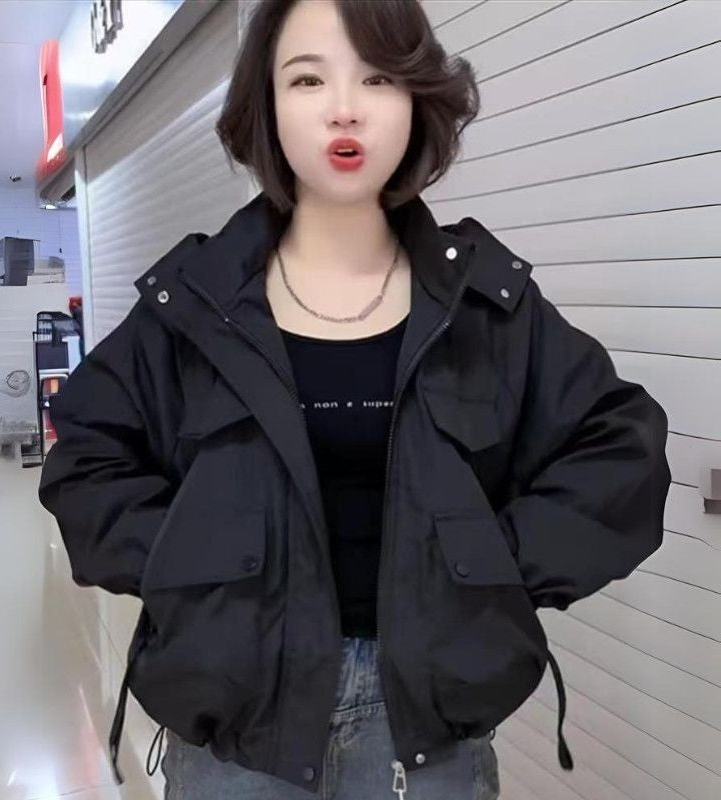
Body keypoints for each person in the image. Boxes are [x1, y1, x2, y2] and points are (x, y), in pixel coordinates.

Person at [38, 1, 672, 798]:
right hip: (241, 741)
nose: (344, 108)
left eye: (377, 78)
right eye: (307, 80)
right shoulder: (195, 305)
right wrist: (191, 566)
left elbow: (621, 447)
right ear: (267, 107)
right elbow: (86, 459)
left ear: (416, 100)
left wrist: (492, 565)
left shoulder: (484, 305)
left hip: (426, 738)